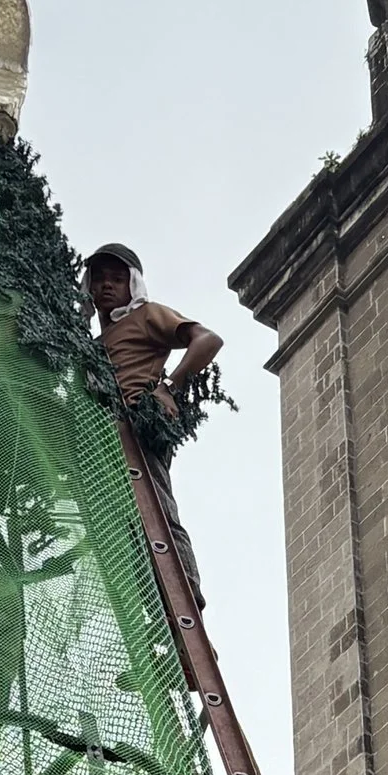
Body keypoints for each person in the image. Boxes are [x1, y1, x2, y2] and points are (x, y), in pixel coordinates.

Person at [83, 245, 222, 602]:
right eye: (99, 279)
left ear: (133, 284)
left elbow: (207, 340)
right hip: (98, 439)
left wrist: (168, 388)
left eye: (117, 279)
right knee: (120, 529)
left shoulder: (146, 315)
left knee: (156, 512)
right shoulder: (92, 346)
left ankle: (185, 591)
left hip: (135, 430)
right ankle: (149, 602)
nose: (106, 285)